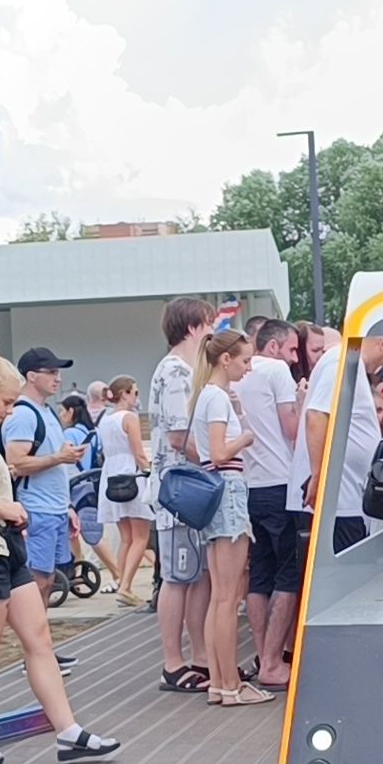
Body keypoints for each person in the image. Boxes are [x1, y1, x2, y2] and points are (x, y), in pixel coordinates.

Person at [0, 351, 122, 764]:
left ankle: (68, 731)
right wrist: (4, 509)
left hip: (2, 548)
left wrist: (4, 511)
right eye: (5, 401)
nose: (10, 410)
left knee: (38, 639)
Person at [187, 330, 269, 705]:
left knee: (220, 595)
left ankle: (221, 682)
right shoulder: (217, 398)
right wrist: (246, 437)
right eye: (244, 360)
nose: (247, 367)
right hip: (229, 488)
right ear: (225, 359)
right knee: (227, 595)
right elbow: (221, 452)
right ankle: (231, 684)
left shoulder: (207, 396)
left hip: (214, 491)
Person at [149, 297, 217, 693]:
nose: (212, 331)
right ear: (193, 327)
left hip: (188, 491)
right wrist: (214, 459)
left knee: (197, 575)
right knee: (177, 577)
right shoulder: (177, 372)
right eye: (209, 323)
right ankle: (173, 662)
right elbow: (179, 435)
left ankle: (200, 657)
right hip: (180, 491)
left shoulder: (183, 369)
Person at [290, 333, 383, 566]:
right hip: (338, 504)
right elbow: (317, 415)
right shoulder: (342, 361)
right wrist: (319, 478)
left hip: (346, 502)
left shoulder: (349, 363)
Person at [240, 320, 301, 689]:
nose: (295, 358)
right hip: (280, 481)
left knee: (259, 573)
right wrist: (304, 399)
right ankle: (275, 661)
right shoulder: (276, 370)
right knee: (288, 572)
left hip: (249, 483)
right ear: (275, 346)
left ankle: (264, 654)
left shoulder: (237, 375)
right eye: (292, 349)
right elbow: (292, 428)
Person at [4, 347, 86, 610]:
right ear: (31, 376)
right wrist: (59, 458)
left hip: (54, 509)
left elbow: (53, 458)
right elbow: (15, 463)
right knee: (37, 580)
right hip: (37, 509)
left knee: (48, 580)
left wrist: (67, 506)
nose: (58, 378)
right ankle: (37, 647)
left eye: (58, 372)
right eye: (51, 372)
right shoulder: (23, 414)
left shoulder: (46, 412)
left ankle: (41, 647)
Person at [96, 375, 154, 607]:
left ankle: (122, 580)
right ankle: (126, 585)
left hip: (111, 474)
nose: (137, 397)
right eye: (135, 392)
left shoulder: (105, 419)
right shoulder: (129, 418)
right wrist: (148, 469)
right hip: (131, 473)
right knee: (141, 536)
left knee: (126, 537)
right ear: (125, 394)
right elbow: (138, 451)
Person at [60, 393, 124, 589]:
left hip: (76, 485)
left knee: (89, 533)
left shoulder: (69, 434)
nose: (61, 415)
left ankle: (117, 574)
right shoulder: (94, 433)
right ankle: (77, 571)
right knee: (78, 531)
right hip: (93, 483)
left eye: (62, 411)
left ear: (71, 412)